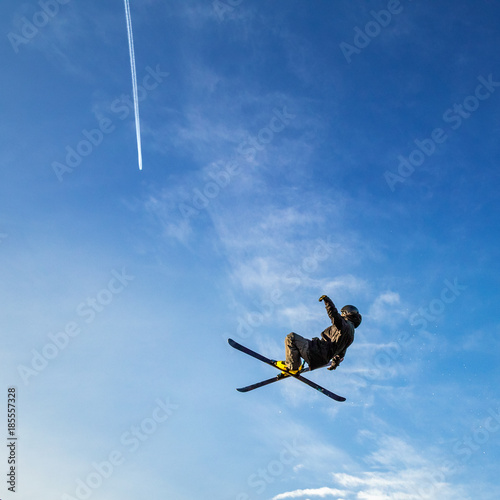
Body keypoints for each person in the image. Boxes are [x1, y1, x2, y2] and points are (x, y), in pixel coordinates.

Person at [276, 295, 362, 374]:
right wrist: (334, 364)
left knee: (291, 338)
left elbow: (334, 315)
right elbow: (340, 353)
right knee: (300, 343)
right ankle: (291, 362)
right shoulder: (350, 335)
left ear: (346, 313)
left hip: (316, 352)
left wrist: (327, 301)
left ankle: (292, 367)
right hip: (321, 357)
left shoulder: (344, 325)